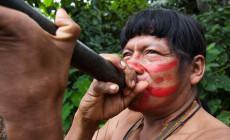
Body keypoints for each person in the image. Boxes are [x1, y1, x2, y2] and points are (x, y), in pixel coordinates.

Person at [0, 5, 229, 140]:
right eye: (127, 54)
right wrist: (86, 118)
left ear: (195, 69)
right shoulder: (123, 118)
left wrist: (33, 114)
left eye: (150, 52)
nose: (132, 65)